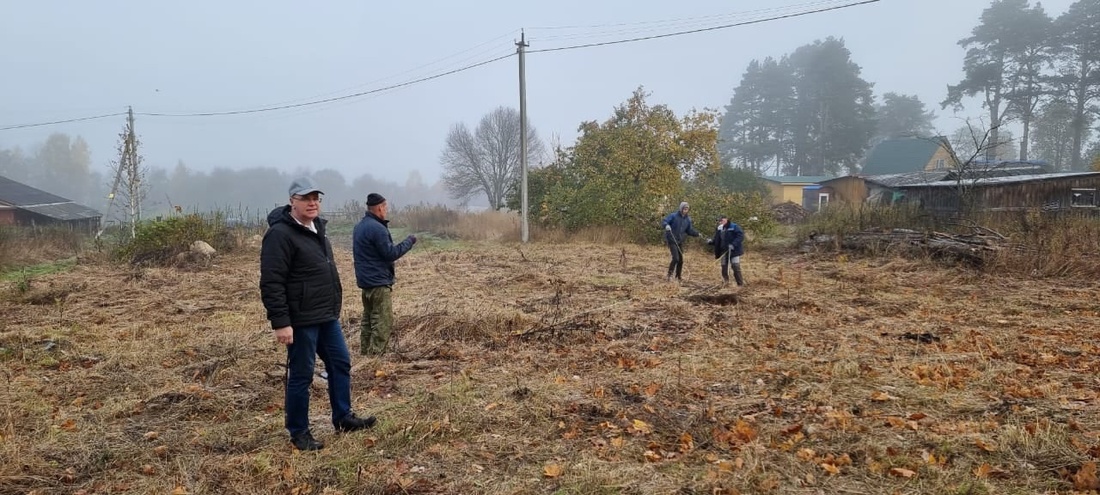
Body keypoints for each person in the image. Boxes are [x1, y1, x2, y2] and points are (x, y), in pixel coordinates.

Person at [260, 177, 376, 451]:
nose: (312, 203)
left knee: (340, 363)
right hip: (300, 319)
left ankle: (343, 417)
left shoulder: (317, 227)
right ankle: (299, 431)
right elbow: (271, 281)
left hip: (326, 314)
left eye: (316, 198)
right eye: (305, 198)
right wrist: (281, 322)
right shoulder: (280, 234)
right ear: (292, 202)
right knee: (302, 374)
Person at [353, 193, 417, 356]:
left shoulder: (359, 226)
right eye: (385, 207)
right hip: (378, 284)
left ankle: (365, 354)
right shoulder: (378, 228)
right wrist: (409, 242)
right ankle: (375, 358)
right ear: (380, 208)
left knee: (368, 321)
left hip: (366, 283)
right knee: (383, 321)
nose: (386, 210)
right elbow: (390, 253)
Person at [661, 201, 701, 282]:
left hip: (679, 241)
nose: (686, 210)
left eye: (687, 209)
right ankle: (669, 275)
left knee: (681, 260)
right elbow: (664, 221)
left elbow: (689, 230)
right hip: (672, 239)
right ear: (681, 208)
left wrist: (697, 234)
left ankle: (678, 276)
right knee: (675, 258)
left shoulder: (688, 219)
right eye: (684, 208)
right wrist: (666, 225)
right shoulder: (673, 216)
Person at [708, 215, 746, 286]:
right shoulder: (719, 228)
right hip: (723, 251)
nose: (720, 222)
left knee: (736, 267)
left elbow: (740, 236)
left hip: (734, 251)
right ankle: (726, 283)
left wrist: (733, 244)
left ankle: (740, 284)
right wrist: (711, 242)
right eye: (719, 221)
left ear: (726, 220)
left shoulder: (734, 226)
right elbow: (717, 240)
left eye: (722, 220)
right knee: (724, 267)